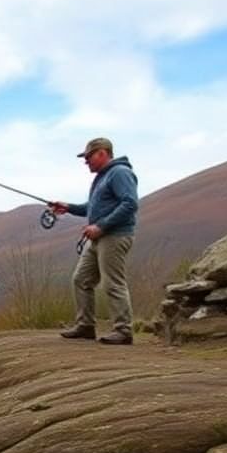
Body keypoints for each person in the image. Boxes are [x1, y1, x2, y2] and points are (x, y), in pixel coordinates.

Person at [50, 137, 139, 345]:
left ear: (102, 153)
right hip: (99, 237)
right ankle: (85, 326)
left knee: (113, 283)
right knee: (81, 279)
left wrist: (100, 226)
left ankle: (123, 330)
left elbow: (130, 204)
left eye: (88, 156)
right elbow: (91, 207)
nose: (86, 161)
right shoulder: (103, 177)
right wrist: (68, 207)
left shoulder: (120, 173)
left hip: (115, 236)